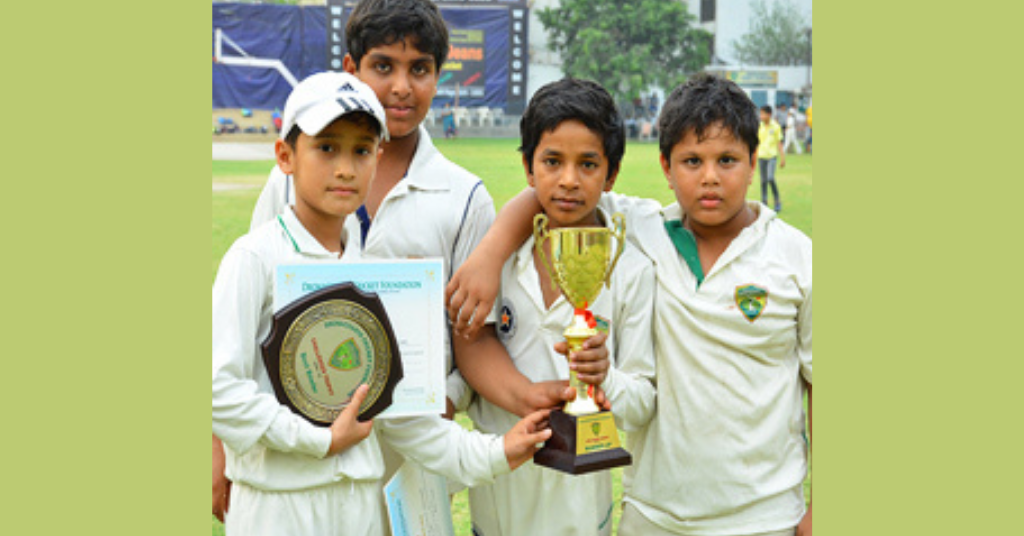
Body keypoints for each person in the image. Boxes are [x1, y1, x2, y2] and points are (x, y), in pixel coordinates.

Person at [219, 0, 594, 527]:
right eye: (326, 148)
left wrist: (468, 413)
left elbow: (463, 341)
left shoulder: (461, 197)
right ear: (287, 157)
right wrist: (235, 449)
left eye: (419, 68)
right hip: (286, 477)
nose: (401, 86)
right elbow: (231, 364)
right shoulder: (264, 233)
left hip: (396, 447)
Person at [446, 73, 812, 536]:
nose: (710, 177)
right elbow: (548, 191)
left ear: (753, 158)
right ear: (665, 166)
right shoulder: (642, 228)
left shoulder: (795, 257)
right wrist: (491, 251)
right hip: (652, 511)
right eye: (692, 161)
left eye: (727, 160)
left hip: (765, 513)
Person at [457, 78, 656, 536]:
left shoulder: (632, 269)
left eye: (588, 164)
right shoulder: (495, 260)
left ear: (611, 174)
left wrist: (602, 374)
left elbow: (642, 404)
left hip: (579, 514)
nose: (568, 179)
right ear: (529, 168)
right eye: (552, 161)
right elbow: (467, 353)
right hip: (497, 504)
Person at [757, 105, 785, 212]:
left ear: (769, 115)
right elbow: (757, 143)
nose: (761, 116)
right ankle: (764, 202)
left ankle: (777, 201)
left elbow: (779, 143)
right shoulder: (760, 126)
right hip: (761, 156)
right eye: (760, 114)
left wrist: (782, 158)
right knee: (763, 181)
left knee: (770, 178)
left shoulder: (776, 126)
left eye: (763, 114)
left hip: (772, 157)